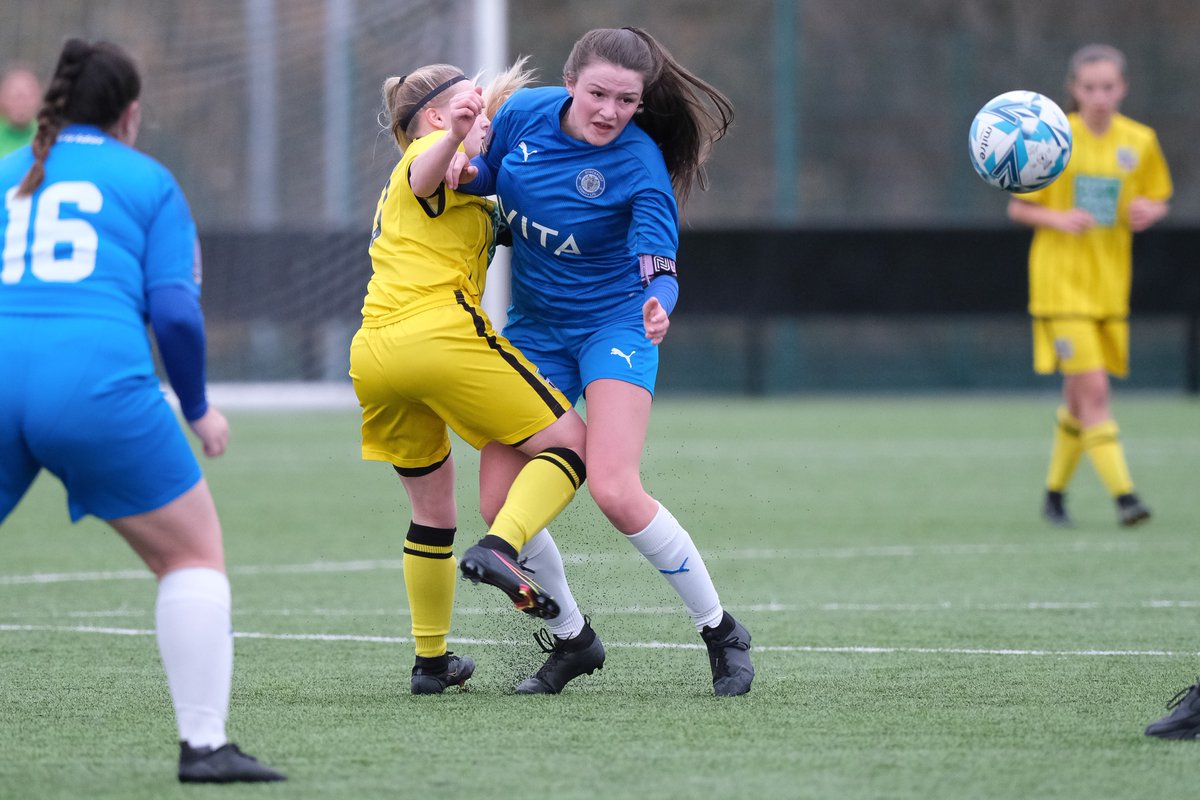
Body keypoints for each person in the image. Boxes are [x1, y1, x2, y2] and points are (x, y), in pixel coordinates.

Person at [0, 39, 284, 783]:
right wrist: (196, 409)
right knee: (190, 555)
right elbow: (177, 316)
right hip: (94, 379)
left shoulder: (5, 174)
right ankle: (204, 747)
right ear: (130, 114)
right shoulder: (148, 180)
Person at [448, 27, 753, 697]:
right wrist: (464, 172)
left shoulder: (640, 164)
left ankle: (720, 630)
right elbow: (490, 177)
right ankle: (572, 640)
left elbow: (659, 266)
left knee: (614, 488)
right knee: (502, 508)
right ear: (569, 82)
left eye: (626, 100)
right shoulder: (525, 114)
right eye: (597, 94)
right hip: (533, 333)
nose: (610, 112)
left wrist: (658, 303)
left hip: (614, 327)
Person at [348, 59, 590, 695]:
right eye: (467, 110)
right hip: (437, 337)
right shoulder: (433, 153)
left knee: (431, 515)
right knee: (571, 443)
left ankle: (432, 663)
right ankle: (502, 547)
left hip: (375, 355)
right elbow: (432, 164)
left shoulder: (454, 180)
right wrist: (454, 135)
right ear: (432, 118)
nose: (479, 120)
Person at [1007, 43, 1171, 529]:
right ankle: (1126, 498)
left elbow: (1158, 196)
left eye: (1108, 87)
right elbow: (1019, 207)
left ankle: (1054, 496)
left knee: (1079, 399)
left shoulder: (1139, 141)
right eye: (1089, 87)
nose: (1099, 96)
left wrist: (1150, 210)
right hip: (1060, 289)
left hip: (1109, 288)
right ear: (1073, 92)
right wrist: (1057, 218)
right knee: (1095, 390)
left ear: (1122, 88)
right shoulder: (1054, 139)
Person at [0, 64, 40, 157]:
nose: (21, 103)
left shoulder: (47, 134)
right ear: (2, 98)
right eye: (16, 97)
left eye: (26, 97)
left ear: (37, 98)